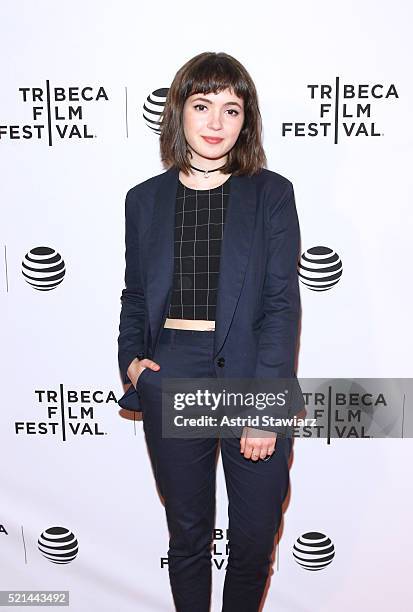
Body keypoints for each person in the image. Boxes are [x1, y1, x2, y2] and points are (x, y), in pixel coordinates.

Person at [117, 51, 302, 612]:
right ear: (180, 112)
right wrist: (132, 359)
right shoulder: (144, 200)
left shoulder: (271, 194)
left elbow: (280, 305)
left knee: (251, 543)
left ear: (247, 120)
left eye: (231, 108)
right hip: (173, 372)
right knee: (189, 538)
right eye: (202, 106)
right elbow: (135, 296)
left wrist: (265, 407)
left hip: (251, 375)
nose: (216, 123)